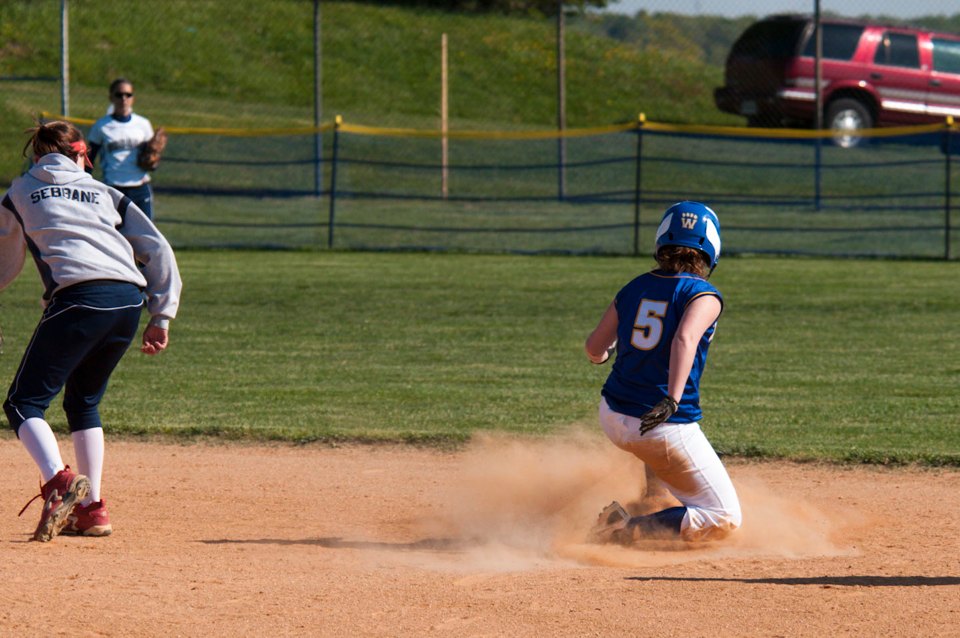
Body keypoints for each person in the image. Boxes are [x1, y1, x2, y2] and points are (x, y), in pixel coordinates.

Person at [0, 120, 182, 542]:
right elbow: (156, 247)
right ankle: (91, 510)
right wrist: (161, 314)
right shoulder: (105, 192)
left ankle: (59, 480)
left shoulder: (20, 192)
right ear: (81, 154)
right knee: (83, 402)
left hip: (79, 300)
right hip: (128, 301)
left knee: (23, 404)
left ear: (37, 156)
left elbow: (4, 260)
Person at [584, 201, 741, 544]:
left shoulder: (634, 286)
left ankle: (654, 497)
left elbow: (594, 349)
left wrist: (605, 355)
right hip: (662, 426)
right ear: (712, 248)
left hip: (612, 414)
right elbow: (684, 339)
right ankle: (622, 528)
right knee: (723, 517)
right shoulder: (704, 295)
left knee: (651, 439)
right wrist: (671, 399)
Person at [87, 78, 158, 219]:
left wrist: (153, 161)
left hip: (140, 187)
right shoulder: (101, 126)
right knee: (114, 231)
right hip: (114, 188)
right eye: (119, 95)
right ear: (111, 98)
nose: (123, 98)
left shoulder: (143, 124)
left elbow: (152, 157)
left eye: (128, 95)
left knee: (145, 232)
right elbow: (89, 159)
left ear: (133, 98)